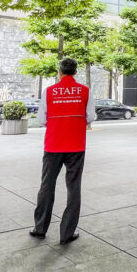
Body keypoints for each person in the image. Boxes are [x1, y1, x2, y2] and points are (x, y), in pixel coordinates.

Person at [30, 58, 97, 245]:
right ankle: (67, 233)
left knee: (47, 185)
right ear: (76, 72)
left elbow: (42, 120)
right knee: (73, 187)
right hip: (76, 145)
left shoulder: (49, 91)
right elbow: (91, 116)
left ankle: (40, 228)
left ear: (59, 72)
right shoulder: (85, 91)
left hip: (53, 145)